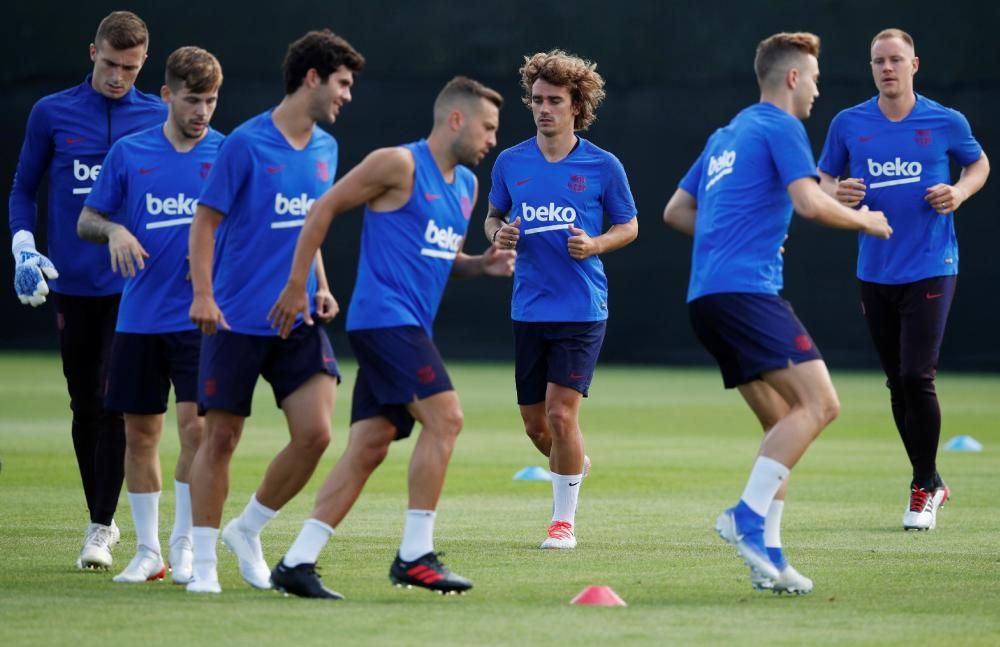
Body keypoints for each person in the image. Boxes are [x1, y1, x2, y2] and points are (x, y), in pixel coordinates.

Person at [662, 32, 892, 593]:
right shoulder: (783, 126)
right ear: (792, 77)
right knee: (822, 403)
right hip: (747, 294)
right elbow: (810, 202)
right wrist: (870, 221)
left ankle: (769, 558)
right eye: (813, 78)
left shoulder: (725, 134)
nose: (816, 89)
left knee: (782, 421)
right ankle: (745, 517)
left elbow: (675, 211)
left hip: (707, 300)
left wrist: (730, 230)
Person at [267, 76, 512, 599]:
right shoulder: (398, 163)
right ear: (455, 120)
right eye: (488, 128)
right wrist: (297, 284)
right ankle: (415, 556)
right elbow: (323, 208)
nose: (492, 139)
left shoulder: (466, 188)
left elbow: (442, 261)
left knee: (369, 446)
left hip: (407, 326)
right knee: (446, 419)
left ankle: (296, 561)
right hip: (383, 320)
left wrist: (480, 266)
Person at [185, 29, 364, 594]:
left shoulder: (327, 150)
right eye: (341, 83)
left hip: (300, 316)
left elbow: (309, 228)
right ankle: (206, 566)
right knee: (221, 440)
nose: (346, 96)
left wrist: (323, 284)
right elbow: (204, 224)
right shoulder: (244, 143)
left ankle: (250, 528)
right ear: (312, 78)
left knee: (315, 433)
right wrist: (204, 295)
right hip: (236, 316)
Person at [8, 11, 167, 570]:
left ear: (143, 62)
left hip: (136, 287)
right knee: (86, 404)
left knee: (120, 404)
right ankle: (102, 517)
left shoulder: (159, 116)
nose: (118, 76)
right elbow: (23, 188)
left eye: (129, 67)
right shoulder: (51, 112)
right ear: (91, 52)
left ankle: (101, 527)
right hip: (74, 285)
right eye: (109, 63)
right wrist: (24, 247)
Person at [817, 28, 990, 531]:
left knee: (918, 375)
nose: (887, 68)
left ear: (915, 64)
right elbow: (824, 180)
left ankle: (923, 485)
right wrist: (838, 193)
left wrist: (959, 192)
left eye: (896, 59)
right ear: (871, 68)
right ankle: (931, 480)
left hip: (933, 264)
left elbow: (977, 164)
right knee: (897, 381)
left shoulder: (945, 120)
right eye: (878, 61)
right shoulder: (849, 123)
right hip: (874, 268)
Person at [77, 46, 224, 584]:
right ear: (166, 95)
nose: (202, 111)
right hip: (138, 319)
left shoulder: (228, 156)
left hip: (199, 320)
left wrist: (215, 259)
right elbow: (87, 219)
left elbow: (248, 233)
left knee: (196, 432)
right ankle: (147, 550)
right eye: (192, 100)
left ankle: (184, 546)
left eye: (210, 100)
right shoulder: (130, 153)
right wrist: (114, 229)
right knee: (140, 434)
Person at [484, 50, 638, 550]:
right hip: (528, 306)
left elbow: (629, 226)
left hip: (581, 308)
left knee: (560, 414)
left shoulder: (602, 165)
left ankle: (562, 523)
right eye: (536, 99)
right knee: (535, 424)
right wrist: (500, 234)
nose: (543, 108)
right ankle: (575, 463)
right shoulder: (511, 162)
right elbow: (492, 217)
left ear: (578, 106)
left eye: (554, 100)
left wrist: (595, 244)